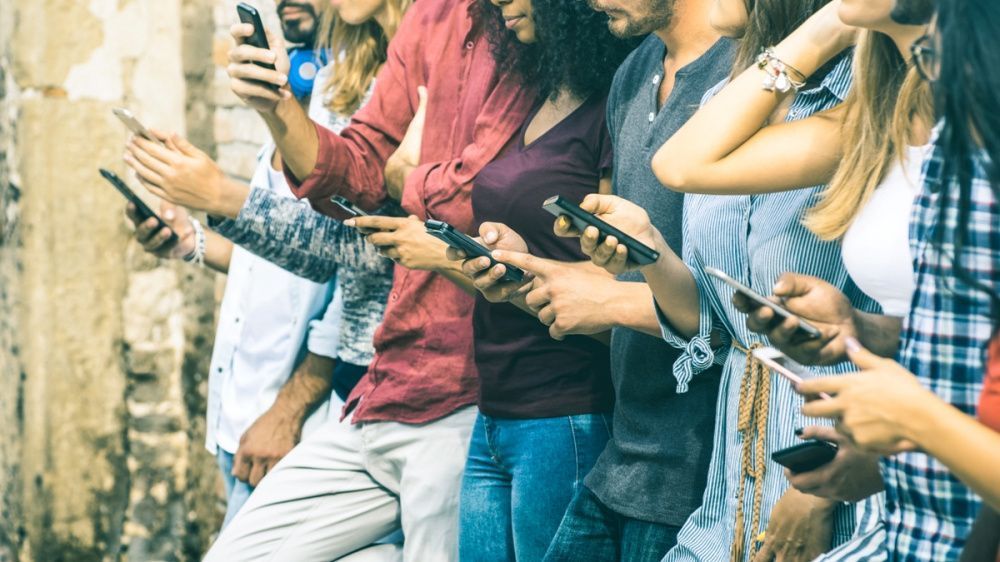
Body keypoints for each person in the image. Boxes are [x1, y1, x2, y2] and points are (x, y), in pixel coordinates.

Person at [128, 0, 542, 557]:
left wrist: (224, 198)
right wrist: (275, 109)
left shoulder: (525, 24)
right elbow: (363, 179)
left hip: (462, 388)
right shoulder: (405, 35)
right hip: (380, 385)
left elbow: (420, 222)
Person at [541, 1, 898, 559]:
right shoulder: (723, 107)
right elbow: (716, 324)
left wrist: (820, 493)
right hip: (729, 490)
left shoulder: (865, 104)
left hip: (832, 468)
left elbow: (916, 328)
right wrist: (652, 253)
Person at [468, 0, 732, 559]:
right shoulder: (634, 71)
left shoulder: (745, 76)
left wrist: (611, 303)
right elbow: (633, 266)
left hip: (700, 468)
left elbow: (742, 307)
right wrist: (531, 271)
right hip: (626, 451)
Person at [124, 0, 351, 529]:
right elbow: (276, 261)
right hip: (242, 410)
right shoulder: (290, 105)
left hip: (297, 423)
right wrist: (189, 242)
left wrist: (288, 411)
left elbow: (362, 280)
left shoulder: (359, 112)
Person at [786, 1, 1000, 559]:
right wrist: (864, 330)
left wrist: (914, 418)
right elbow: (969, 353)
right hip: (916, 529)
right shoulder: (954, 138)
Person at [441, 0, 636, 558]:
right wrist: (508, 252)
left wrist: (526, 267)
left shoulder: (608, 108)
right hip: (496, 409)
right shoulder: (538, 94)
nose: (499, 3)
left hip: (566, 409)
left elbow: (617, 272)